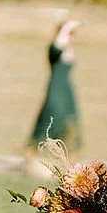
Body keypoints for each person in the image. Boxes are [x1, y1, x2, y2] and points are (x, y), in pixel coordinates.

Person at [26, 19, 81, 169]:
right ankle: (28, 159)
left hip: (67, 92)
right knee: (48, 121)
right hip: (56, 91)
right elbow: (56, 48)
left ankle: (72, 167)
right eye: (68, 34)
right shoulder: (54, 49)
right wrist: (66, 28)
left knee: (71, 124)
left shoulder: (69, 50)